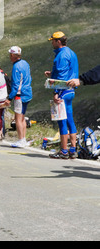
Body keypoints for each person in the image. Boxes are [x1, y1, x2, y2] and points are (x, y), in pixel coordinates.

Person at [45, 31, 79, 159]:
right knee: (70, 119)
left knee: (62, 121)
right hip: (71, 91)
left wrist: (56, 92)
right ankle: (73, 150)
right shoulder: (72, 53)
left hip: (62, 92)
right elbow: (67, 72)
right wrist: (51, 74)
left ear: (58, 42)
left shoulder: (60, 55)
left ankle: (63, 151)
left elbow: (62, 76)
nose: (52, 43)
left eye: (53, 41)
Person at [4, 46, 32, 148]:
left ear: (12, 55)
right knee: (22, 117)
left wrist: (9, 98)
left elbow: (15, 85)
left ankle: (21, 140)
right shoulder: (25, 63)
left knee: (18, 119)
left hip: (19, 95)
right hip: (27, 93)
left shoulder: (16, 67)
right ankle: (23, 139)